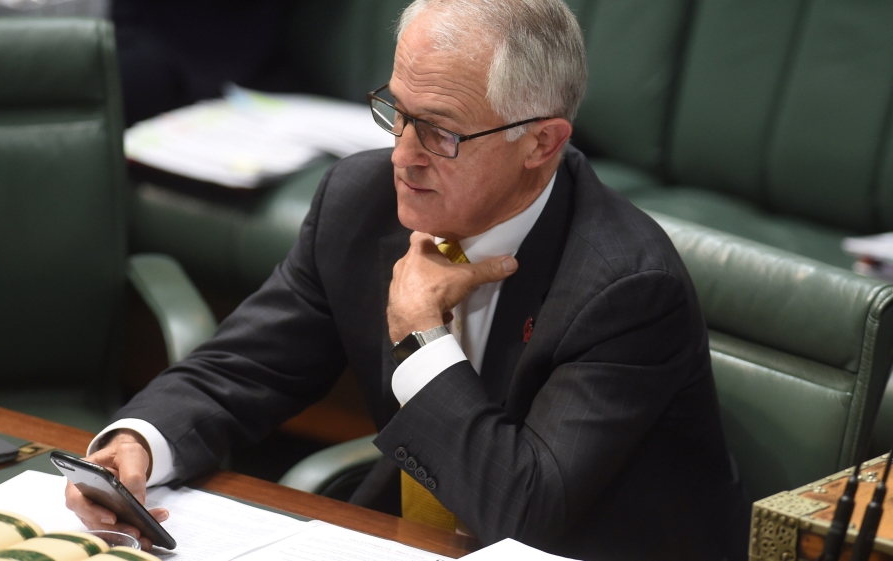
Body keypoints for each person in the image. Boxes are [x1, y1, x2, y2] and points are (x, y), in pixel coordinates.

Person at [67, 0, 749, 558]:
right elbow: (242, 368)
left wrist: (423, 338)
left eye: (440, 132)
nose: (402, 155)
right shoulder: (359, 205)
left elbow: (525, 511)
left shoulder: (624, 287)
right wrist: (138, 442)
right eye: (396, 112)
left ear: (541, 143)